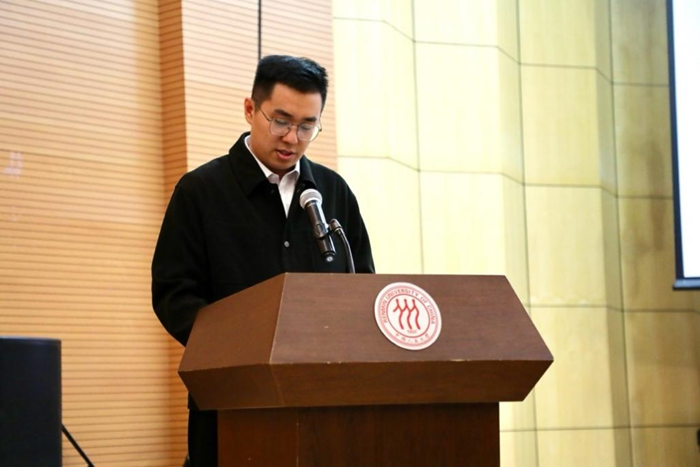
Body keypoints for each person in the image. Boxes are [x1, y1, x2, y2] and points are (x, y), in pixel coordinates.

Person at [151, 55, 375, 466]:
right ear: (250, 109)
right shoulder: (200, 191)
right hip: (231, 404)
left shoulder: (333, 191)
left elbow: (362, 285)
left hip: (325, 405)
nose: (292, 138)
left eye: (307, 126)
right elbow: (173, 294)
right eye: (281, 121)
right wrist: (240, 349)